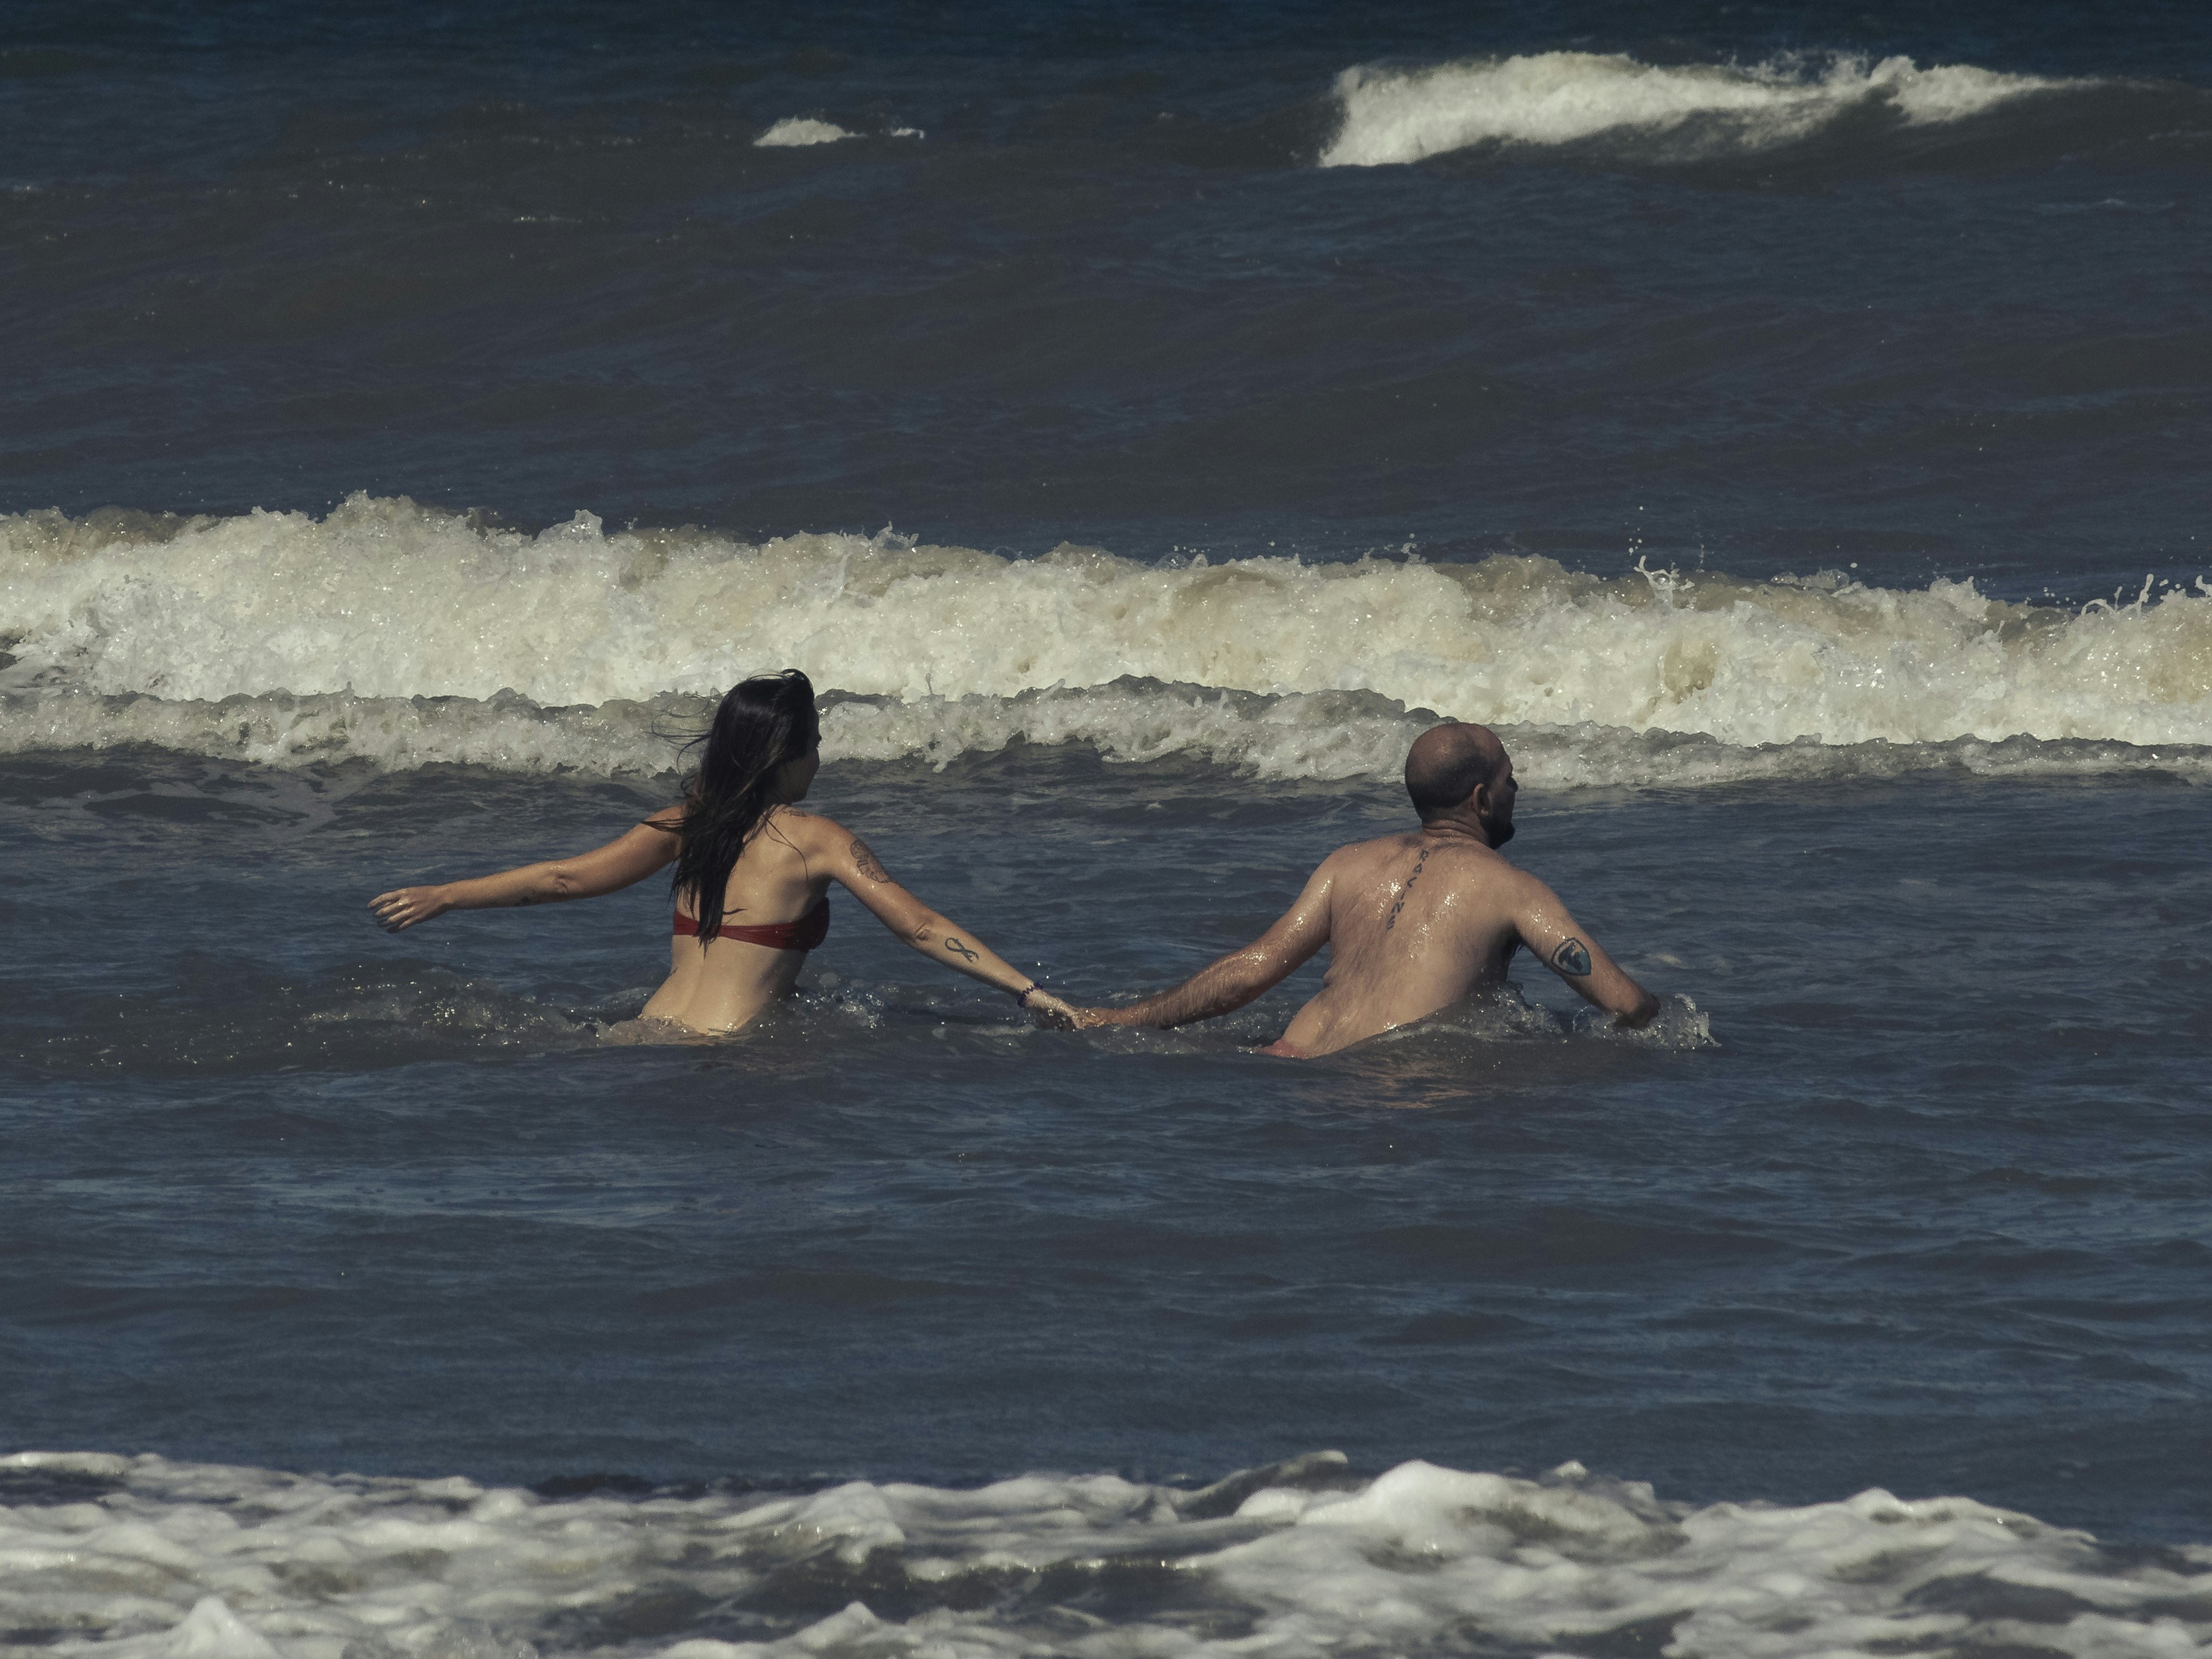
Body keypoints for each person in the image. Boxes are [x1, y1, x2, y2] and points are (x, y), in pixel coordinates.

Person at [369, 670, 1078, 1037]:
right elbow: (919, 926)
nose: (821, 758)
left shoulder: (687, 823)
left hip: (642, 1033)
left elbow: (564, 878)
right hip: (732, 1050)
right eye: (816, 744)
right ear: (787, 755)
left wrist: (447, 894)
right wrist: (1031, 992)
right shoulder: (821, 839)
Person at [1069, 721, 1659, 1056]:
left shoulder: (1345, 864)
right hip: (1388, 1081)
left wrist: (1119, 1019)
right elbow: (1626, 1004)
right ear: (1480, 799)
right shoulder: (1512, 889)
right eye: (1509, 777)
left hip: (1288, 1062)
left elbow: (1250, 973)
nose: (1517, 786)